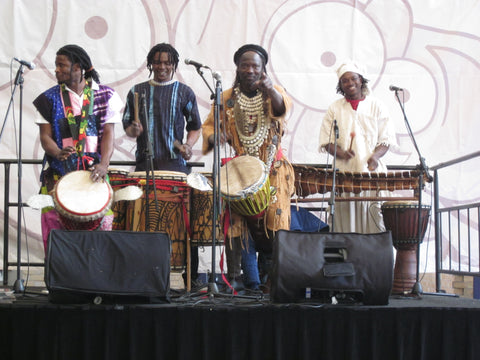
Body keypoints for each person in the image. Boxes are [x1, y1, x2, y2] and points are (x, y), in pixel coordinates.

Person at [202, 44, 295, 292]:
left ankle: (275, 280)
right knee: (235, 223)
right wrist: (214, 137)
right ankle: (242, 279)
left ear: (263, 68)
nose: (250, 70)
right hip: (242, 171)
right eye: (245, 65)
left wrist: (270, 91)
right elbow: (210, 127)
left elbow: (281, 109)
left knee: (275, 223)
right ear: (238, 68)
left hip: (273, 168)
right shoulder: (226, 98)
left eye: (255, 65)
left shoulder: (274, 91)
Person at [122, 43, 202, 288]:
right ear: (150, 64)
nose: (163, 67)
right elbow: (127, 126)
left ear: (174, 64)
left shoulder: (185, 92)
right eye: (157, 62)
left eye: (168, 62)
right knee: (145, 221)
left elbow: (195, 127)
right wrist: (132, 129)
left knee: (182, 223)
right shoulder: (137, 91)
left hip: (175, 167)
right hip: (145, 166)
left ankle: (191, 277)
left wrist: (188, 145)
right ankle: (143, 276)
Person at [33, 44, 123, 252]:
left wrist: (104, 164)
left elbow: (109, 133)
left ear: (78, 68)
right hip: (59, 174)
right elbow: (45, 136)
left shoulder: (106, 96)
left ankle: (96, 277)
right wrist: (57, 152)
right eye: (56, 65)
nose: (56, 70)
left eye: (61, 65)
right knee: (55, 228)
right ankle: (58, 279)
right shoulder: (48, 99)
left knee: (103, 225)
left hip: (94, 173)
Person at [319, 60, 396, 233]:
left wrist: (375, 157)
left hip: (372, 173)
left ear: (361, 80)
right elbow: (327, 141)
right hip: (344, 173)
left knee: (376, 217)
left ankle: (375, 254)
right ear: (340, 85)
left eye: (353, 78)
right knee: (344, 219)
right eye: (344, 81)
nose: (350, 83)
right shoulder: (335, 108)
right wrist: (342, 154)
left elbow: (386, 139)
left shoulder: (377, 105)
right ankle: (346, 253)